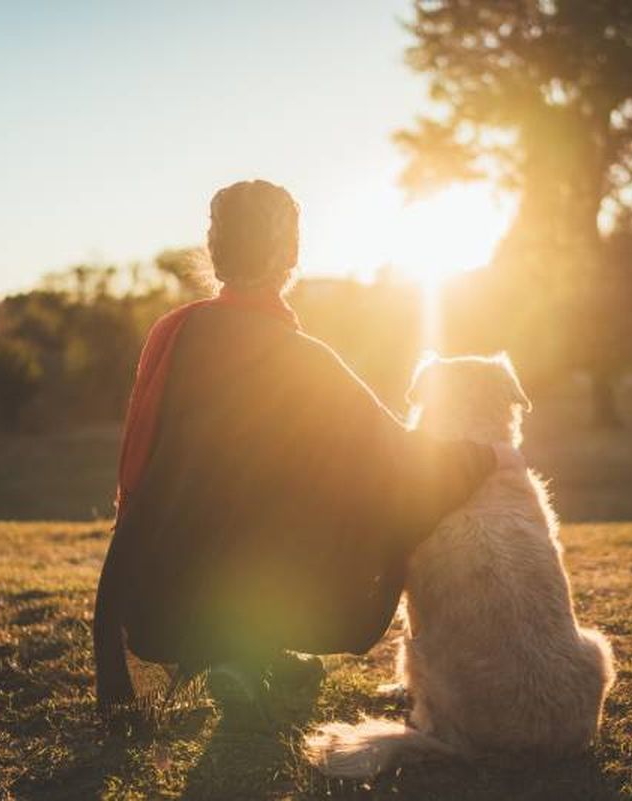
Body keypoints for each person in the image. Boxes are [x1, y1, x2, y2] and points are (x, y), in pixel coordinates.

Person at [93, 179, 521, 720]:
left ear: (215, 247)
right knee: (334, 495)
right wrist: (488, 456)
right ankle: (249, 643)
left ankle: (242, 649)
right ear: (291, 255)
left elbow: (140, 464)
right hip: (267, 576)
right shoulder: (304, 359)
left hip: (161, 582)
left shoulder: (171, 333)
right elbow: (400, 459)